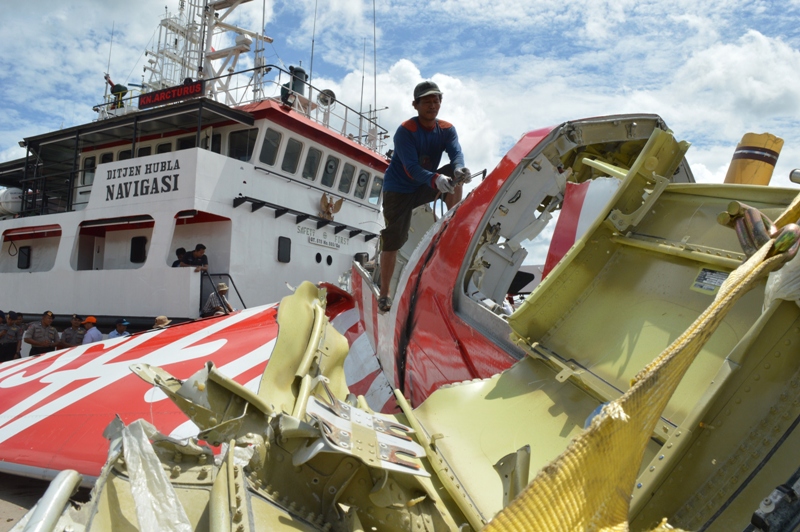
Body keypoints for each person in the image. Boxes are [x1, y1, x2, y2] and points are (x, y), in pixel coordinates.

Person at [378, 81, 471, 312]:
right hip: (398, 190)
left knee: (455, 175)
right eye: (427, 101)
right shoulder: (405, 131)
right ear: (415, 104)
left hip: (427, 183)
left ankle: (451, 226)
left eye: (436, 100)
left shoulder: (447, 129)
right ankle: (385, 293)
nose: (433, 105)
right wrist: (436, 180)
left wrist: (459, 169)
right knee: (393, 239)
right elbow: (410, 168)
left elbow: (457, 154)